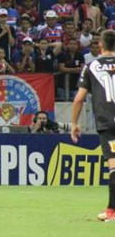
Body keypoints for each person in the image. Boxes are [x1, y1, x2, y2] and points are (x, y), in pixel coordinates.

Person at [71, 29, 115, 222]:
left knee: (113, 165)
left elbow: (79, 98)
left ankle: (112, 211)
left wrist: (74, 123)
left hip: (108, 122)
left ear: (101, 46)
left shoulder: (91, 66)